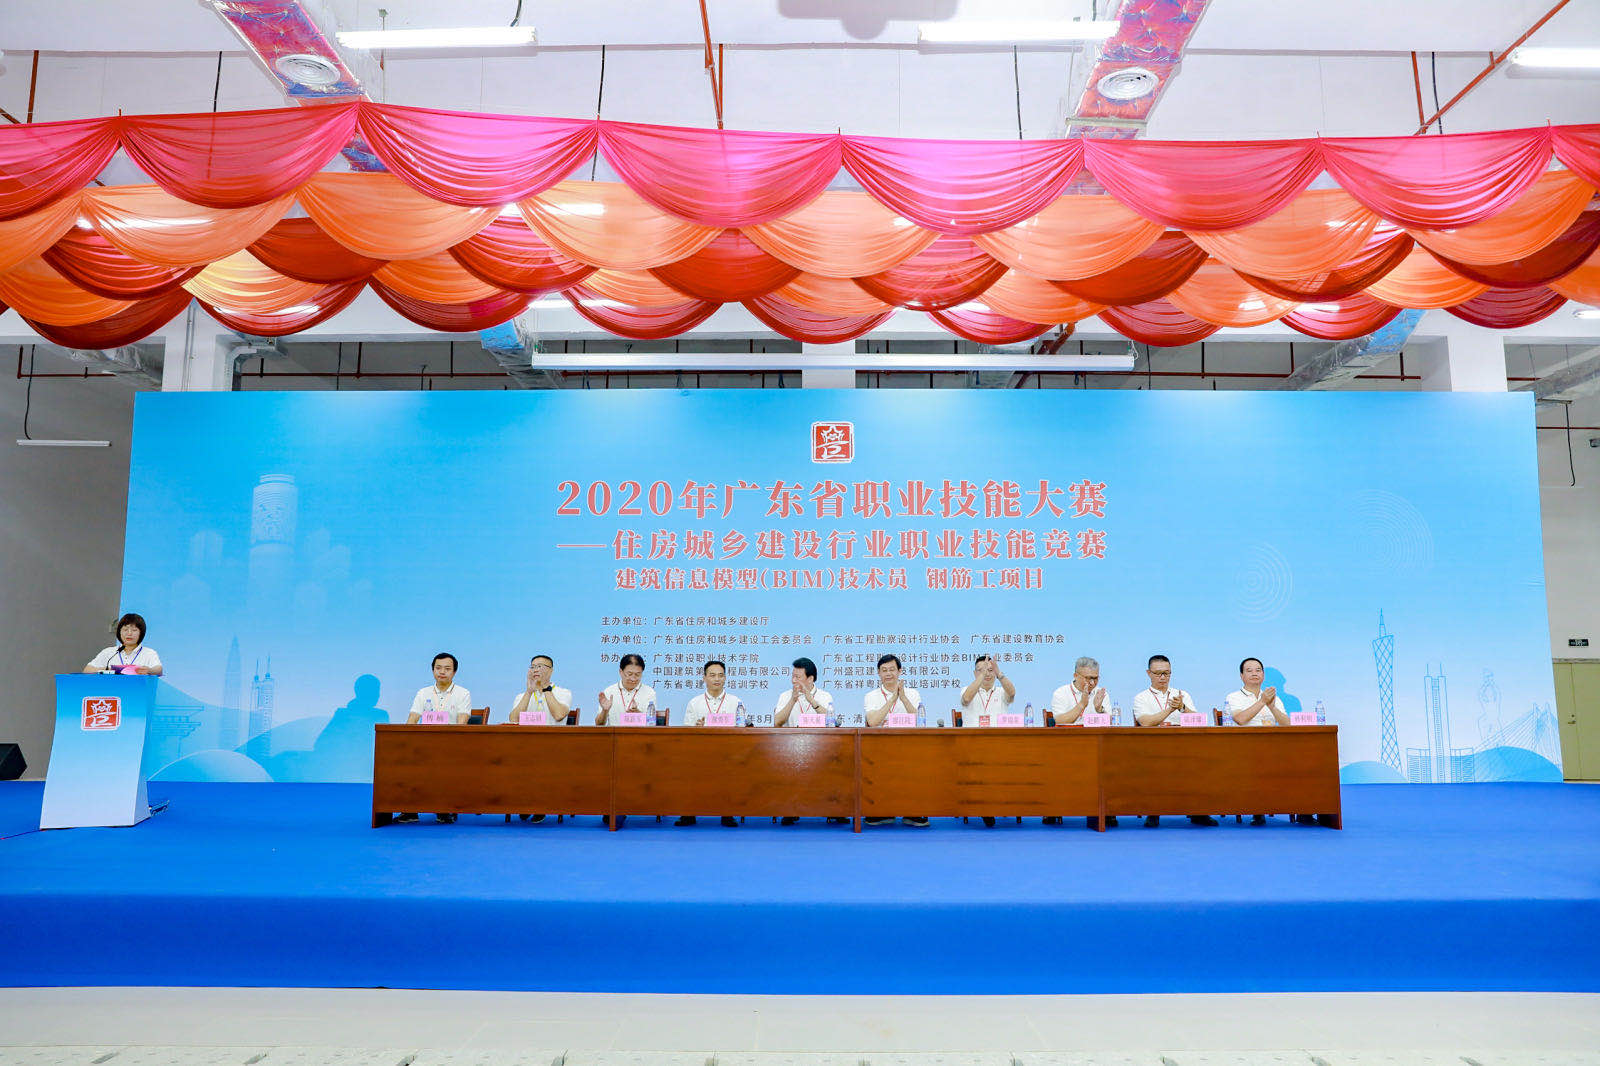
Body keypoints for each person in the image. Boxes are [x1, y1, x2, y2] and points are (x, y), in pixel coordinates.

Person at [1131, 654, 1216, 828]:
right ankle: (1153, 812)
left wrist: (1182, 707)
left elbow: (1199, 720)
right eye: (1158, 673)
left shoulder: (1182, 694)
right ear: (1148, 673)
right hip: (1153, 747)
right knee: (1155, 765)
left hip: (1183, 745)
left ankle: (1199, 812)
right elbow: (1145, 722)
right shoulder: (1141, 697)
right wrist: (1170, 709)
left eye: (1167, 673)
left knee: (1202, 763)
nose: (1163, 677)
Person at [400, 652, 471, 824]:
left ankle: (445, 808)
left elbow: (462, 723)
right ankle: (410, 810)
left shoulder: (463, 693)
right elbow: (412, 719)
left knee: (445, 762)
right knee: (403, 759)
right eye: (438, 668)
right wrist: (404, 741)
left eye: (447, 668)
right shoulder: (423, 693)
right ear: (433, 670)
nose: (442, 672)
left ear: (454, 672)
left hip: (451, 746)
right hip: (424, 746)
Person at [1048, 656, 1116, 828]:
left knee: (1111, 762)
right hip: (1066, 746)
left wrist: (1100, 709)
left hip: (1095, 747)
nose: (1092, 683)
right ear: (1075, 675)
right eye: (1088, 678)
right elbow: (1059, 720)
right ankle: (1055, 807)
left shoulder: (1101, 693)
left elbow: (1109, 723)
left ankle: (1105, 810)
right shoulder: (1061, 693)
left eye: (1095, 678)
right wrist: (1082, 705)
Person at [863, 654, 928, 828]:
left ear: (900, 671)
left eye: (892, 669)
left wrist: (903, 697)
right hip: (879, 746)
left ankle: (912, 811)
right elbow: (873, 722)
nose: (888, 674)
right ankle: (882, 811)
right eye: (884, 670)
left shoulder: (913, 693)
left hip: (909, 744)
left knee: (918, 761)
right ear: (878, 673)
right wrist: (892, 698)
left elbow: (919, 721)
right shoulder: (871, 696)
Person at [1226, 656, 1292, 825]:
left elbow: (1287, 724)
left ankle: (1303, 809)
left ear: (1263, 675)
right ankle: (1258, 809)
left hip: (1273, 746)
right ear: (1241, 676)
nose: (1254, 673)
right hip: (1245, 747)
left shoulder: (1274, 698)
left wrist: (1272, 707)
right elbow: (1240, 719)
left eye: (1258, 670)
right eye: (1249, 671)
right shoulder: (1234, 697)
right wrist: (1262, 701)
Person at [509, 653, 574, 823]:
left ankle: (539, 804)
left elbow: (559, 715)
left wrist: (546, 689)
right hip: (525, 746)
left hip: (553, 747)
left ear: (551, 671)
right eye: (533, 667)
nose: (535, 670)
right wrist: (529, 692)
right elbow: (513, 719)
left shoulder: (563, 692)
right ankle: (525, 802)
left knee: (541, 761)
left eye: (540, 667)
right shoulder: (522, 695)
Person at [680, 660, 745, 826]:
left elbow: (742, 728)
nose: (717, 679)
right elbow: (687, 732)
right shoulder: (695, 703)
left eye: (720, 675)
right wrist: (697, 728)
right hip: (700, 751)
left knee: (732, 767)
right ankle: (689, 813)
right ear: (704, 678)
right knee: (687, 767)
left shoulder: (736, 702)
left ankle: (727, 813)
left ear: (725, 678)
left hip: (728, 751)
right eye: (712, 675)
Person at [774, 656, 836, 824]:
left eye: (798, 677)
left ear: (810, 679)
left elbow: (831, 721)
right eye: (792, 676)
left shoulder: (824, 696)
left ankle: (834, 810)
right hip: (790, 748)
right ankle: (790, 810)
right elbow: (777, 722)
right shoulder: (785, 695)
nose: (794, 680)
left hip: (821, 747)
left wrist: (811, 700)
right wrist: (793, 700)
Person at [959, 654, 1016, 827]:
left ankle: (991, 804)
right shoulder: (966, 689)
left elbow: (1012, 693)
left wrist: (1000, 674)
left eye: (990, 670)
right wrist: (982, 676)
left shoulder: (1001, 691)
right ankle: (986, 807)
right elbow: (966, 699)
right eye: (982, 670)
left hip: (999, 743)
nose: (987, 674)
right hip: (972, 744)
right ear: (974, 673)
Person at [84, 613, 162, 676]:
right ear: (120, 632)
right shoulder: (109, 652)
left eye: (134, 630)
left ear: (141, 633)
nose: (129, 633)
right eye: (125, 629)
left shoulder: (149, 653)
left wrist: (149, 670)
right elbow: (87, 670)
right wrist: (108, 669)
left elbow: (159, 670)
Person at [595, 653, 656, 725]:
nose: (633, 679)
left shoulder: (649, 693)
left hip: (639, 732)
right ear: (621, 672)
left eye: (637, 674)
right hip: (615, 732)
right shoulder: (609, 691)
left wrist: (639, 715)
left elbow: (652, 725)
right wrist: (605, 711)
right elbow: (599, 724)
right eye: (629, 674)